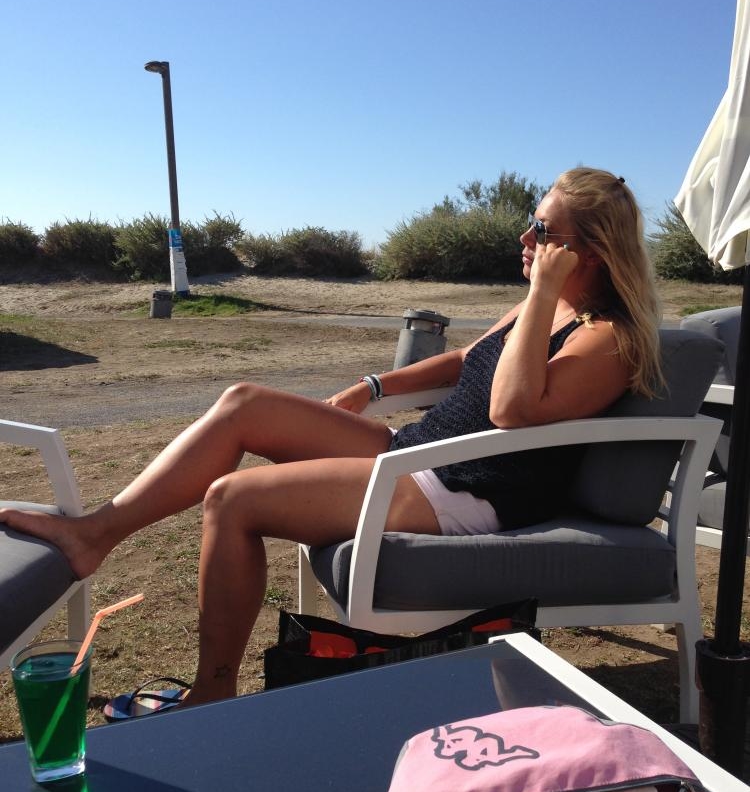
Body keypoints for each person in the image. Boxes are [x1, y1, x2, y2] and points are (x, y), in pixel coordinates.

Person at [0, 167, 662, 707]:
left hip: (464, 489)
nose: (525, 236)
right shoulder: (542, 305)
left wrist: (543, 293)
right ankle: (97, 533)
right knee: (244, 404)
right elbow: (466, 361)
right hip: (418, 452)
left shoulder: (609, 337)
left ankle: (212, 691)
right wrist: (371, 387)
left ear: (589, 252)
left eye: (543, 230)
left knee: (233, 499)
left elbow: (512, 410)